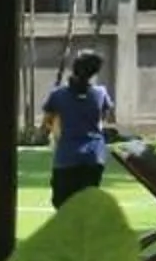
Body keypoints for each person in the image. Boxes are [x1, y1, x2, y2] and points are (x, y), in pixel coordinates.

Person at [43, 50, 116, 206]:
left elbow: (47, 122)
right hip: (94, 155)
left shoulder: (58, 95)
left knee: (62, 204)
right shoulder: (100, 94)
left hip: (67, 156)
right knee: (87, 205)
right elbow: (103, 118)